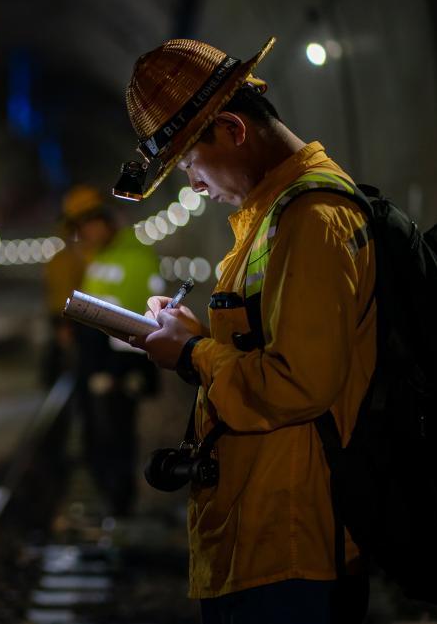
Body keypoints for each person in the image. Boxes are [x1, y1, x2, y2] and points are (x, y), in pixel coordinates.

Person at [122, 38, 376, 623]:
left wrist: (192, 355)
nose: (193, 185)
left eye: (189, 163)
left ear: (233, 130)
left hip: (290, 544)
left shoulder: (310, 220)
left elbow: (298, 384)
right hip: (261, 529)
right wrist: (192, 336)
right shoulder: (273, 214)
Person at [68, 185, 161, 517]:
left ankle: (120, 508)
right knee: (100, 436)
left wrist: (117, 371)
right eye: (81, 227)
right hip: (98, 362)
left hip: (116, 368)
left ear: (107, 222)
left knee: (117, 437)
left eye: (90, 224)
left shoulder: (133, 258)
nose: (85, 233)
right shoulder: (102, 257)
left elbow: (138, 320)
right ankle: (112, 504)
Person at [41, 186, 98, 387]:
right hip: (80, 331)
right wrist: (63, 327)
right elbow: (59, 298)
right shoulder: (64, 260)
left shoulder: (101, 255)